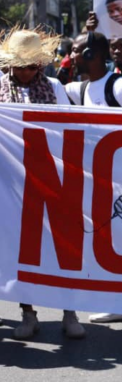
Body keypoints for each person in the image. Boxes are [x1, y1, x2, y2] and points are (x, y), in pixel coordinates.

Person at [0, 28, 85, 340]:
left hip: (50, 180)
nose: (25, 72)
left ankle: (69, 311)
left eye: (32, 65)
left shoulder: (55, 88)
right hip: (10, 184)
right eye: (20, 65)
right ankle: (28, 313)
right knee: (18, 249)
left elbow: (69, 131)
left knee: (59, 246)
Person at [65, 31, 122, 108]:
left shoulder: (121, 87)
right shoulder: (81, 89)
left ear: (89, 54)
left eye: (75, 51)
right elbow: (54, 88)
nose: (70, 57)